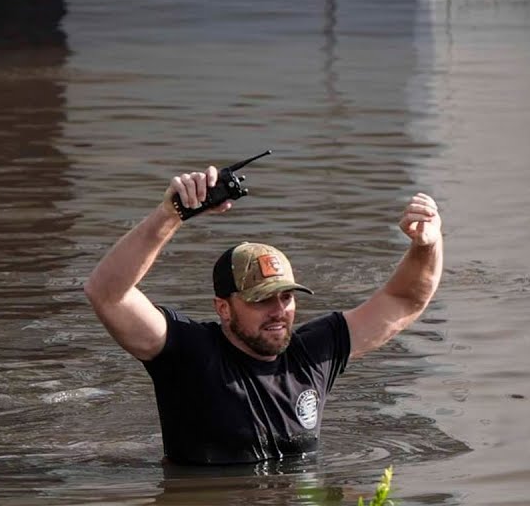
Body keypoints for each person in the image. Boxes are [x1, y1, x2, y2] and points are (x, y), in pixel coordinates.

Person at [84, 165, 444, 465]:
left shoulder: (314, 354)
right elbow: (107, 293)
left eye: (286, 297)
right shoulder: (188, 353)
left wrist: (427, 245)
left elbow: (404, 300)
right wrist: (170, 215)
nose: (278, 311)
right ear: (223, 308)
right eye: (261, 300)